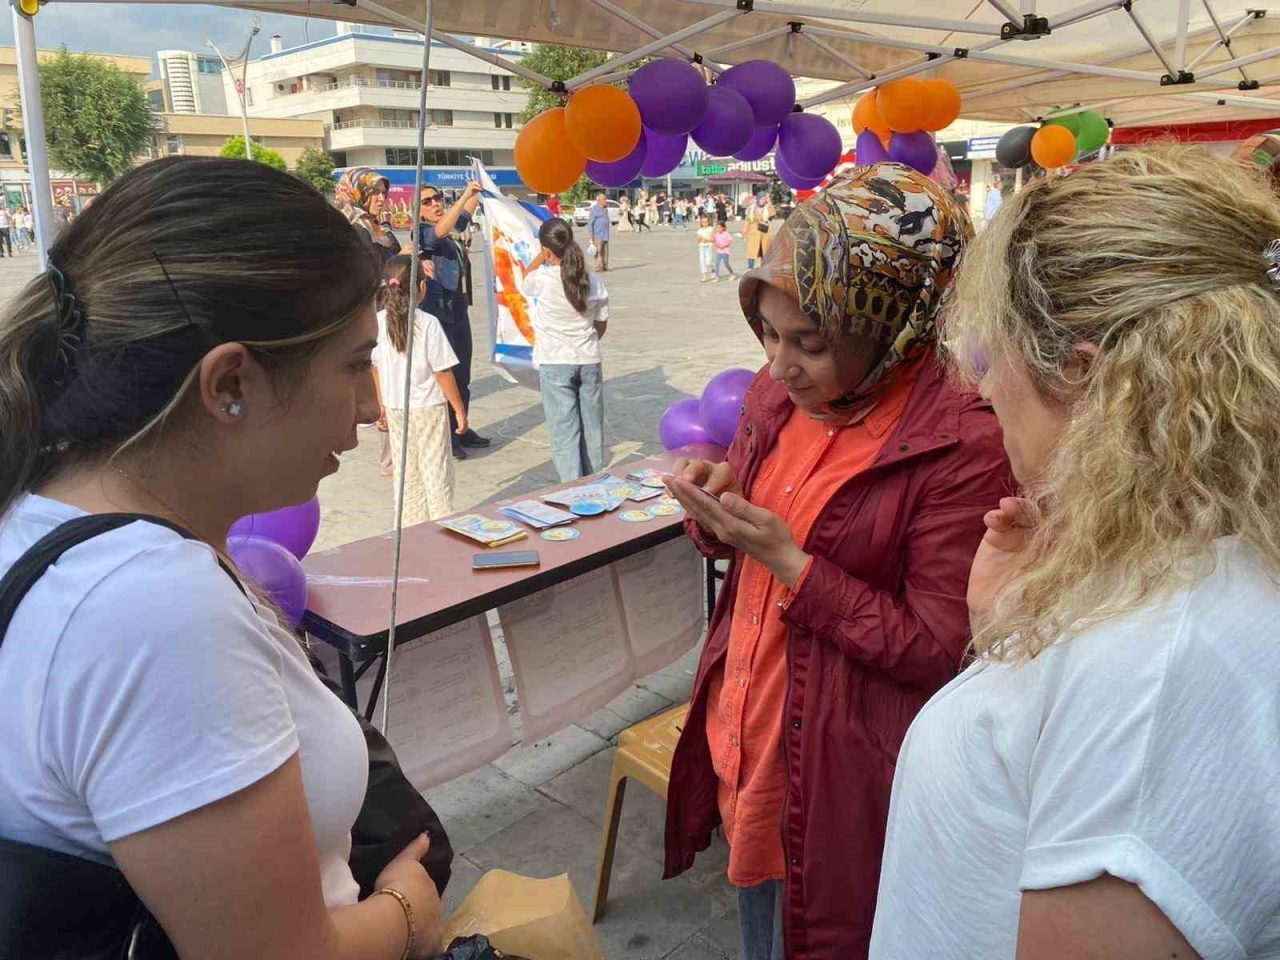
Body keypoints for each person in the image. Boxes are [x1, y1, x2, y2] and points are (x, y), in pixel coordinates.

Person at [0, 157, 445, 959]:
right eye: (352, 365)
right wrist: (408, 912)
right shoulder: (151, 611)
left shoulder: (39, 517)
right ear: (229, 383)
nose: (374, 408)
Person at [871, 145, 1280, 959]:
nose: (983, 390)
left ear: (1088, 381)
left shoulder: (1158, 666)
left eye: (992, 357)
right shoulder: (1192, 570)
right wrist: (1014, 634)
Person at [662, 163, 1012, 960]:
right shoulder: (775, 397)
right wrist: (717, 513)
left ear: (896, 323)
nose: (779, 366)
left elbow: (940, 647)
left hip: (838, 775)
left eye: (810, 344)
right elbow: (747, 543)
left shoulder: (962, 440)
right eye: (768, 335)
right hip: (744, 737)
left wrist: (794, 565)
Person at [375, 255, 467, 524]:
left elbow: (375, 368)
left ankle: (409, 527)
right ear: (421, 287)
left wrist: (381, 404)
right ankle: (441, 523)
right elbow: (442, 371)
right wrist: (459, 409)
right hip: (427, 407)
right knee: (436, 471)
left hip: (395, 407)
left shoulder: (379, 322)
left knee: (406, 474)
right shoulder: (427, 323)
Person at [520, 217, 609, 481]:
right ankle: (593, 481)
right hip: (588, 358)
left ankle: (572, 488)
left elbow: (525, 277)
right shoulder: (592, 281)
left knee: (564, 430)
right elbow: (601, 324)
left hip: (556, 362)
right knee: (592, 429)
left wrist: (541, 254)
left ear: (546, 249)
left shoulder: (543, 278)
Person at [418, 180, 490, 459]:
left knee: (463, 374)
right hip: (439, 314)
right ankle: (449, 437)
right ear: (419, 211)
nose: (435, 203)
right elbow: (442, 229)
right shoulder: (424, 232)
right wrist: (463, 196)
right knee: (447, 375)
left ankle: (463, 427)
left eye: (437, 198)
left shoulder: (449, 230)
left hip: (458, 310)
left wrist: (476, 192)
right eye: (427, 201)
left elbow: (464, 216)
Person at [336, 167, 404, 262]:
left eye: (384, 192)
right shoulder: (349, 231)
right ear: (355, 192)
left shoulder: (382, 228)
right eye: (374, 192)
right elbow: (364, 272)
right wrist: (400, 259)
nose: (382, 198)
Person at [744, 194, 769, 270]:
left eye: (764, 199)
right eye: (761, 199)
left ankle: (763, 266)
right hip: (753, 232)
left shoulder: (767, 208)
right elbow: (747, 220)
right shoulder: (751, 209)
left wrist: (769, 202)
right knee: (752, 251)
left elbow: (773, 213)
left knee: (764, 251)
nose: (763, 201)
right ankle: (750, 267)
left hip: (764, 232)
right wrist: (745, 230)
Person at [588, 192, 610, 272]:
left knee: (605, 251)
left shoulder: (605, 208)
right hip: (597, 234)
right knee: (598, 251)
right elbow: (590, 223)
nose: (606, 200)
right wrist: (591, 235)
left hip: (605, 234)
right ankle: (598, 267)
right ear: (599, 200)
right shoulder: (594, 209)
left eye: (605, 199)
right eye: (604, 199)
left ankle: (605, 266)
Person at [696, 214, 716, 283]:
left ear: (708, 222)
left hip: (709, 246)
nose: (705, 224)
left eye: (706, 222)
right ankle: (704, 275)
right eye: (703, 222)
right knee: (702, 261)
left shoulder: (710, 229)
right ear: (701, 223)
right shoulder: (700, 230)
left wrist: (707, 240)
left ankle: (712, 270)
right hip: (701, 247)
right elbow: (698, 240)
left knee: (708, 261)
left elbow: (713, 239)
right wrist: (700, 239)